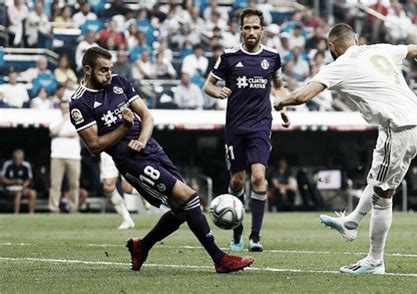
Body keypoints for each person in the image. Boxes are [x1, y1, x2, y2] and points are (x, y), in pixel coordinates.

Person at [69, 46, 253, 273]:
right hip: (130, 160)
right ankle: (219, 259)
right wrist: (124, 129)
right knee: (189, 197)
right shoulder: (79, 103)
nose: (109, 74)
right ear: (87, 70)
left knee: (181, 209)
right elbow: (94, 146)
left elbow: (146, 115)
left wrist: (143, 140)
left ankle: (142, 246)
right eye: (103, 70)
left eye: (110, 68)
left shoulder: (120, 83)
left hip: (151, 148)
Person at [274, 23, 417, 274]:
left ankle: (374, 261)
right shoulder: (378, 49)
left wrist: (280, 101)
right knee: (375, 178)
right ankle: (352, 221)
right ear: (356, 39)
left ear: (331, 47)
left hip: (400, 127)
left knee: (382, 195)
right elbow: (415, 49)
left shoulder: (340, 65)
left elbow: (303, 96)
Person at [203, 8, 290, 252]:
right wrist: (217, 92)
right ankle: (238, 232)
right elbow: (207, 85)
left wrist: (283, 106)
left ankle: (255, 237)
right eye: (247, 27)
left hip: (261, 125)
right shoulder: (229, 57)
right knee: (238, 181)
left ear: (262, 30)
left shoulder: (272, 57)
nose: (251, 31)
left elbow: (279, 86)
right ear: (240, 30)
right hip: (235, 127)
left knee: (260, 178)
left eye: (255, 27)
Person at [48, 100, 81, 213]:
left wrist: (61, 134)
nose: (65, 110)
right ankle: (53, 208)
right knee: (55, 183)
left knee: (74, 183)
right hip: (57, 155)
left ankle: (73, 207)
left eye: (67, 108)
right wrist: (64, 120)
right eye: (63, 108)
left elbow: (79, 133)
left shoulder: (77, 119)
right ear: (60, 108)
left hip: (74, 156)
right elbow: (53, 131)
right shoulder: (55, 120)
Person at [100, 152, 135, 229]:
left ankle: (145, 193)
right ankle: (127, 220)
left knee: (127, 187)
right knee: (108, 187)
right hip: (108, 149)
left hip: (126, 148)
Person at [1, 149, 37, 214]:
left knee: (33, 193)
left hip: (22, 188)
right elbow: (2, 179)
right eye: (16, 159)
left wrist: (24, 186)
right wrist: (14, 182)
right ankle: (16, 214)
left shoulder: (26, 165)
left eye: (20, 159)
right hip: (9, 189)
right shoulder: (7, 164)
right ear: (13, 158)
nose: (17, 160)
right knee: (18, 193)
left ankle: (31, 214)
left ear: (22, 159)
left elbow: (29, 179)